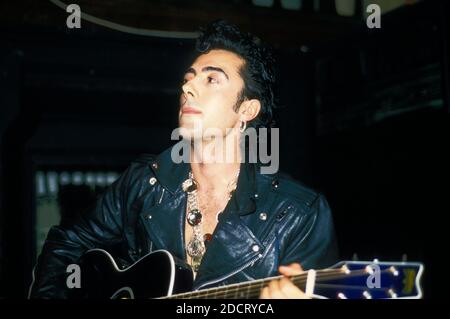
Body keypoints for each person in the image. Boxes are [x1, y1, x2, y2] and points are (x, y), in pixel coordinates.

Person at [29, 20, 339, 299]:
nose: (187, 87)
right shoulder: (143, 182)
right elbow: (66, 244)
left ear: (246, 110)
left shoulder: (299, 212)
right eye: (189, 78)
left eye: (211, 80)